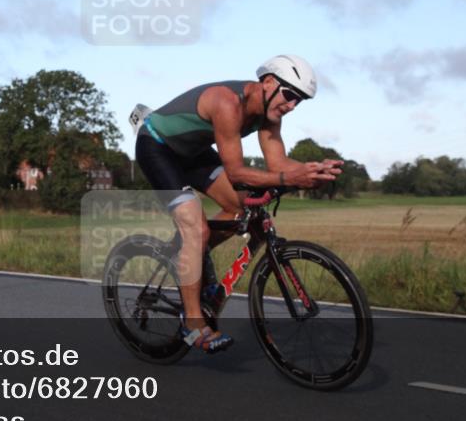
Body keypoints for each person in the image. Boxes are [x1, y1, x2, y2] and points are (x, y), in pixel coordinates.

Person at [134, 55, 342, 352]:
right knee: (196, 228)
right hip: (157, 147)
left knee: (240, 208)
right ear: (268, 82)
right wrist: (289, 178)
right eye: (290, 95)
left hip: (194, 153)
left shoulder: (270, 114)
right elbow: (235, 173)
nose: (292, 105)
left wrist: (312, 172)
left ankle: (191, 257)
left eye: (300, 100)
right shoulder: (227, 102)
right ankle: (191, 322)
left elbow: (278, 164)